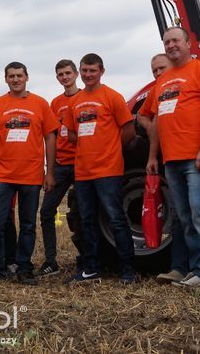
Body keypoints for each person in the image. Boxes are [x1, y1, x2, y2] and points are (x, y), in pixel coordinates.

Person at [146, 27, 200, 291]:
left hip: (197, 157)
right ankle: (197, 270)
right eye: (167, 42)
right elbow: (157, 121)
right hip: (172, 160)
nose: (171, 45)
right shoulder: (163, 81)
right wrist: (153, 156)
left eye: (176, 40)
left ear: (188, 43)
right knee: (186, 217)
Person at [0, 62, 58, 285]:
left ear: (26, 77)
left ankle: (24, 267)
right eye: (11, 76)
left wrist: (49, 172)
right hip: (1, 176)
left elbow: (50, 138)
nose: (15, 79)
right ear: (5, 79)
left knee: (27, 224)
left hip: (31, 175)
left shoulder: (40, 104)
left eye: (19, 75)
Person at [66, 53, 136, 284]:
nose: (88, 75)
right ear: (80, 71)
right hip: (83, 171)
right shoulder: (74, 102)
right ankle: (91, 268)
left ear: (101, 72)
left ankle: (127, 270)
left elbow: (128, 130)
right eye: (84, 70)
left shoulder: (112, 96)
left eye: (92, 71)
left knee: (116, 218)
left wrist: (111, 149)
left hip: (108, 170)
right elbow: (72, 134)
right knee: (86, 220)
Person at [137, 53, 190, 284]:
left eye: (161, 68)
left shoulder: (186, 82)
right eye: (154, 71)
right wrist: (152, 127)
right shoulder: (159, 90)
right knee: (179, 215)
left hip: (194, 157)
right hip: (170, 160)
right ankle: (179, 267)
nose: (158, 74)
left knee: (199, 213)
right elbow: (141, 115)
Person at [38, 59, 82, 277]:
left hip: (83, 165)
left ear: (76, 74)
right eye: (60, 74)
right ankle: (51, 261)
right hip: (62, 165)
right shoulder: (54, 103)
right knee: (46, 211)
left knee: (83, 213)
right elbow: (51, 137)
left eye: (68, 73)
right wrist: (50, 170)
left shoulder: (85, 97)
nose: (64, 77)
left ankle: (87, 259)